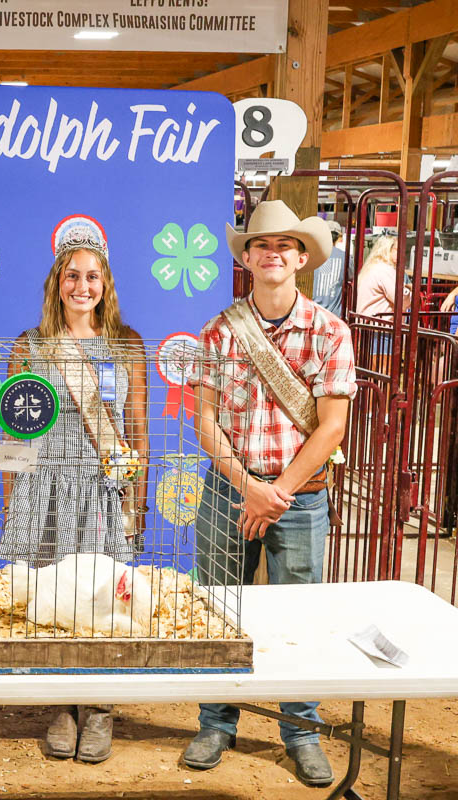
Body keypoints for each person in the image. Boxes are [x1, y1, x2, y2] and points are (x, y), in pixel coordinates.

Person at [184, 200, 356, 787]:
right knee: (219, 606)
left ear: (302, 258)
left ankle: (301, 729)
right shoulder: (218, 331)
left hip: (298, 495)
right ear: (247, 258)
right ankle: (216, 721)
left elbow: (332, 427)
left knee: (298, 613)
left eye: (285, 245)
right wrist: (247, 487)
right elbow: (205, 420)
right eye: (262, 244)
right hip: (230, 489)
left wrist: (275, 492)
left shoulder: (330, 332)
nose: (273, 253)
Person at [0, 218, 148, 764]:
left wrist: (136, 500)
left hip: (104, 487)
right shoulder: (30, 345)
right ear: (56, 282)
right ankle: (60, 702)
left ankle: (100, 706)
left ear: (106, 283)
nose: (83, 286)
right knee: (54, 595)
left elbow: (138, 429)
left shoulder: (128, 344)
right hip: (45, 489)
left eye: (92, 276)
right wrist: (13, 502)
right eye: (72, 275)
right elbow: (15, 430)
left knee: (105, 594)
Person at [355, 234, 412, 361]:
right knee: (384, 368)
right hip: (382, 328)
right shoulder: (385, 270)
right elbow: (401, 298)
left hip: (370, 326)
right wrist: (411, 293)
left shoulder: (372, 267)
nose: (402, 253)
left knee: (372, 366)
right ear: (387, 249)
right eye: (397, 249)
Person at [311, 220, 348, 317]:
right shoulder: (345, 257)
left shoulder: (311, 255)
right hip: (334, 316)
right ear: (338, 237)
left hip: (313, 312)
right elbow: (352, 277)